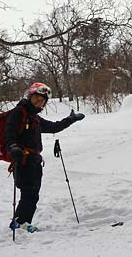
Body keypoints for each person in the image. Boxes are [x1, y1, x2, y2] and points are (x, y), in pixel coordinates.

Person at [6, 82, 84, 233]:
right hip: (22, 160)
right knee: (29, 193)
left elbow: (54, 127)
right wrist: (13, 147)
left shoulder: (34, 118)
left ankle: (20, 221)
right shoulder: (19, 112)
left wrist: (70, 119)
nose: (39, 102)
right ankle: (20, 222)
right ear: (30, 96)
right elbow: (9, 133)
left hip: (34, 161)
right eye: (36, 98)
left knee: (32, 194)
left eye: (42, 101)